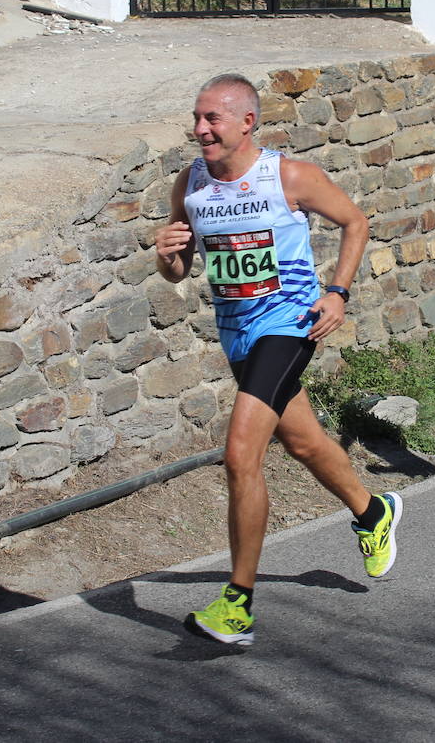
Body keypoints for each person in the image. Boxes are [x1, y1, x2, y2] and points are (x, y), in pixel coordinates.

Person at [155, 73, 402, 644]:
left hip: (288, 325)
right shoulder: (189, 184)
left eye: (212, 119)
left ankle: (237, 605)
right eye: (197, 118)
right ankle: (373, 513)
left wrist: (337, 290)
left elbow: (355, 222)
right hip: (237, 334)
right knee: (304, 440)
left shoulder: (289, 176)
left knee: (241, 453)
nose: (200, 130)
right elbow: (180, 271)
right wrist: (168, 257)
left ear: (247, 122)